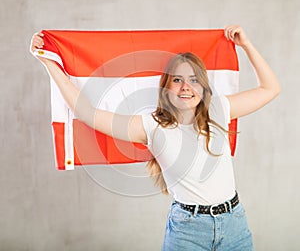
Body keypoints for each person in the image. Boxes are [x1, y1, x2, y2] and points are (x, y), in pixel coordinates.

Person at [30, 25, 281, 250]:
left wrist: (246, 45)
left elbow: (270, 88)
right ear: (166, 87)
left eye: (194, 80)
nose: (186, 87)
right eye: (178, 80)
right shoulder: (151, 125)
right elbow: (87, 113)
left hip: (234, 223)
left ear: (203, 87)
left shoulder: (218, 109)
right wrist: (48, 61)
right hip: (188, 231)